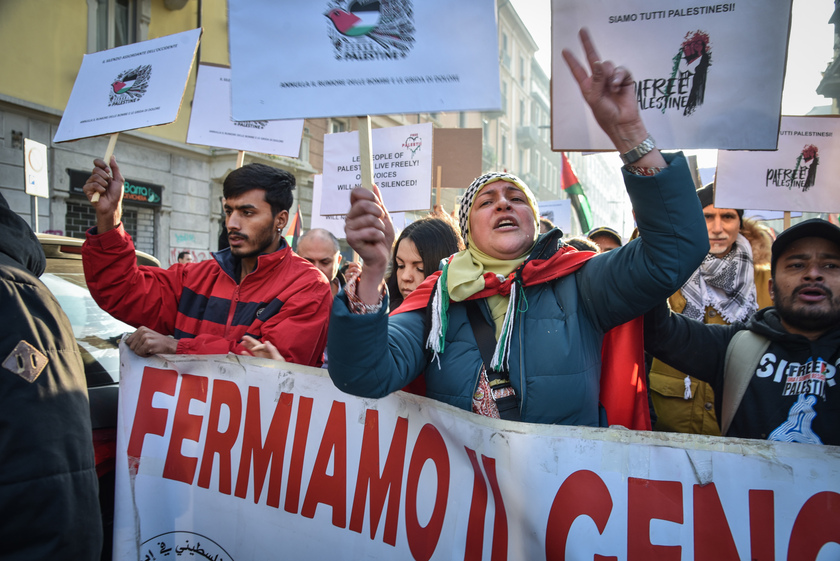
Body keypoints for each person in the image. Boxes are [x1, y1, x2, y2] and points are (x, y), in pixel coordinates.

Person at [325, 29, 709, 426]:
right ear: (467, 230)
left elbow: (676, 250)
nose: (504, 203)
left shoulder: (581, 283)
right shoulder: (437, 301)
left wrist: (629, 134)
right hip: (467, 487)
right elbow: (364, 375)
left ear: (532, 218)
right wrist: (373, 271)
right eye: (486, 202)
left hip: (563, 486)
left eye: (516, 198)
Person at [81, 160, 332, 365]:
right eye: (228, 211)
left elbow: (273, 364)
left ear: (281, 220)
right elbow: (122, 291)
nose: (232, 223)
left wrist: (177, 347)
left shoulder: (308, 286)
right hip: (189, 424)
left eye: (247, 213)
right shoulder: (195, 276)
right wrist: (109, 217)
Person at [644, 218, 840, 445]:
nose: (813, 274)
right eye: (797, 265)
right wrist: (657, 228)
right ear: (771, 289)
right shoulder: (735, 347)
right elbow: (657, 329)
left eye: (830, 265)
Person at [0, 193, 102, 559]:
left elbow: (39, 484)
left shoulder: (12, 293)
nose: (233, 223)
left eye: (246, 211)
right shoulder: (23, 291)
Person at [648, 183, 775, 435]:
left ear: (740, 223)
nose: (718, 228)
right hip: (672, 424)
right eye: (708, 216)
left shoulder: (770, 280)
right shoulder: (669, 272)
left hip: (736, 424)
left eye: (728, 216)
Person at [386, 216, 464, 310]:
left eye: (420, 269)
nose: (405, 277)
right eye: (401, 266)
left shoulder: (462, 315)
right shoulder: (381, 310)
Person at [297, 228, 360, 297]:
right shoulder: (285, 297)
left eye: (325, 262)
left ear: (338, 261)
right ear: (296, 260)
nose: (317, 269)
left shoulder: (353, 299)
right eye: (308, 262)